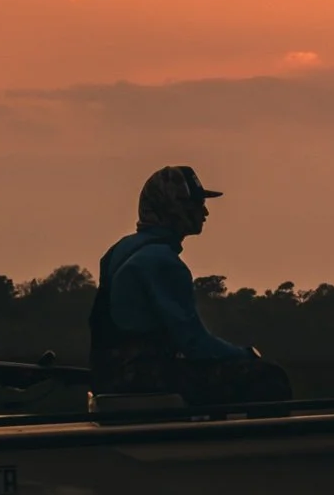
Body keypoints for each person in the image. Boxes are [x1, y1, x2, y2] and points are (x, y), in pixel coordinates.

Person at [92, 166, 293, 407]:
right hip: (143, 377)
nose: (205, 212)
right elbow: (195, 344)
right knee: (269, 377)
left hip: (112, 375)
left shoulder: (120, 250)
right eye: (197, 204)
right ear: (174, 208)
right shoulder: (163, 262)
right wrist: (247, 355)